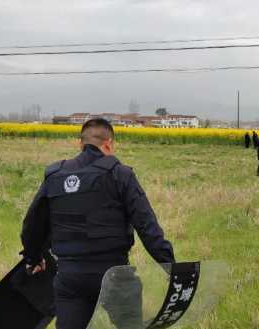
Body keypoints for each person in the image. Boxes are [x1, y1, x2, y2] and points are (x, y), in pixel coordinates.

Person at [20, 118, 175, 329]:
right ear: (108, 143)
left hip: (69, 280)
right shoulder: (120, 174)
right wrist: (170, 266)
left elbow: (33, 223)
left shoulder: (55, 176)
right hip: (115, 277)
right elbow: (147, 226)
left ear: (80, 143)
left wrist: (33, 256)